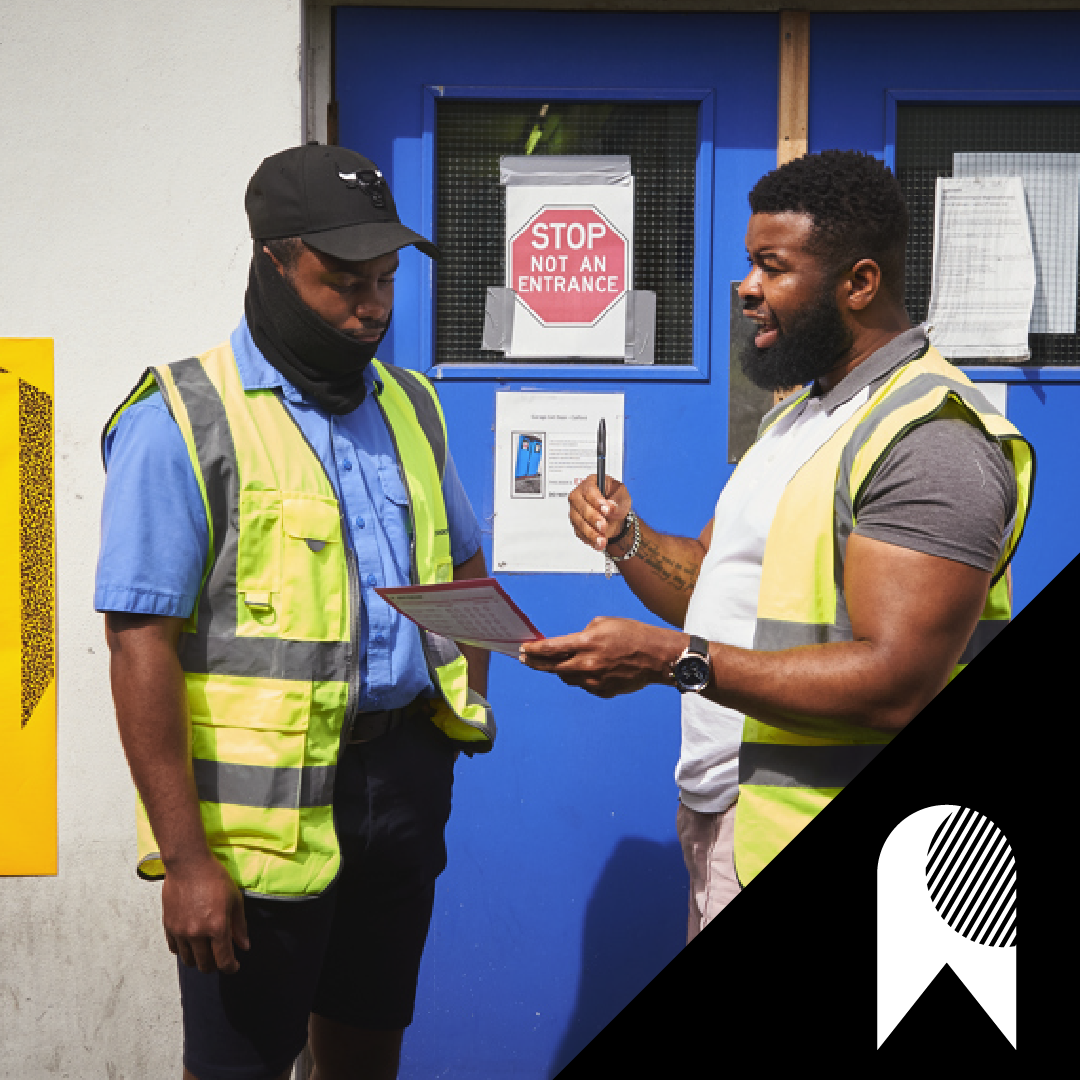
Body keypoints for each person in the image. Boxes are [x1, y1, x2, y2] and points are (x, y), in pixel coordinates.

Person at [521, 150, 1033, 940]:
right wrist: (626, 538)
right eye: (749, 264)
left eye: (771, 266)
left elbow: (897, 683)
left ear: (858, 283)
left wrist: (668, 663)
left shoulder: (931, 437)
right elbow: (712, 593)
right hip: (728, 817)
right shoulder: (797, 416)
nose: (747, 287)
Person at [96, 144, 494, 1080]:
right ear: (271, 261)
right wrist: (187, 862)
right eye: (343, 280)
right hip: (251, 825)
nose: (375, 306)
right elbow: (136, 641)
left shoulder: (414, 406)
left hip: (400, 787)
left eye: (388, 279)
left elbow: (460, 559)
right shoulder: (183, 418)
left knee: (365, 1052)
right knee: (243, 1066)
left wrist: (472, 697)